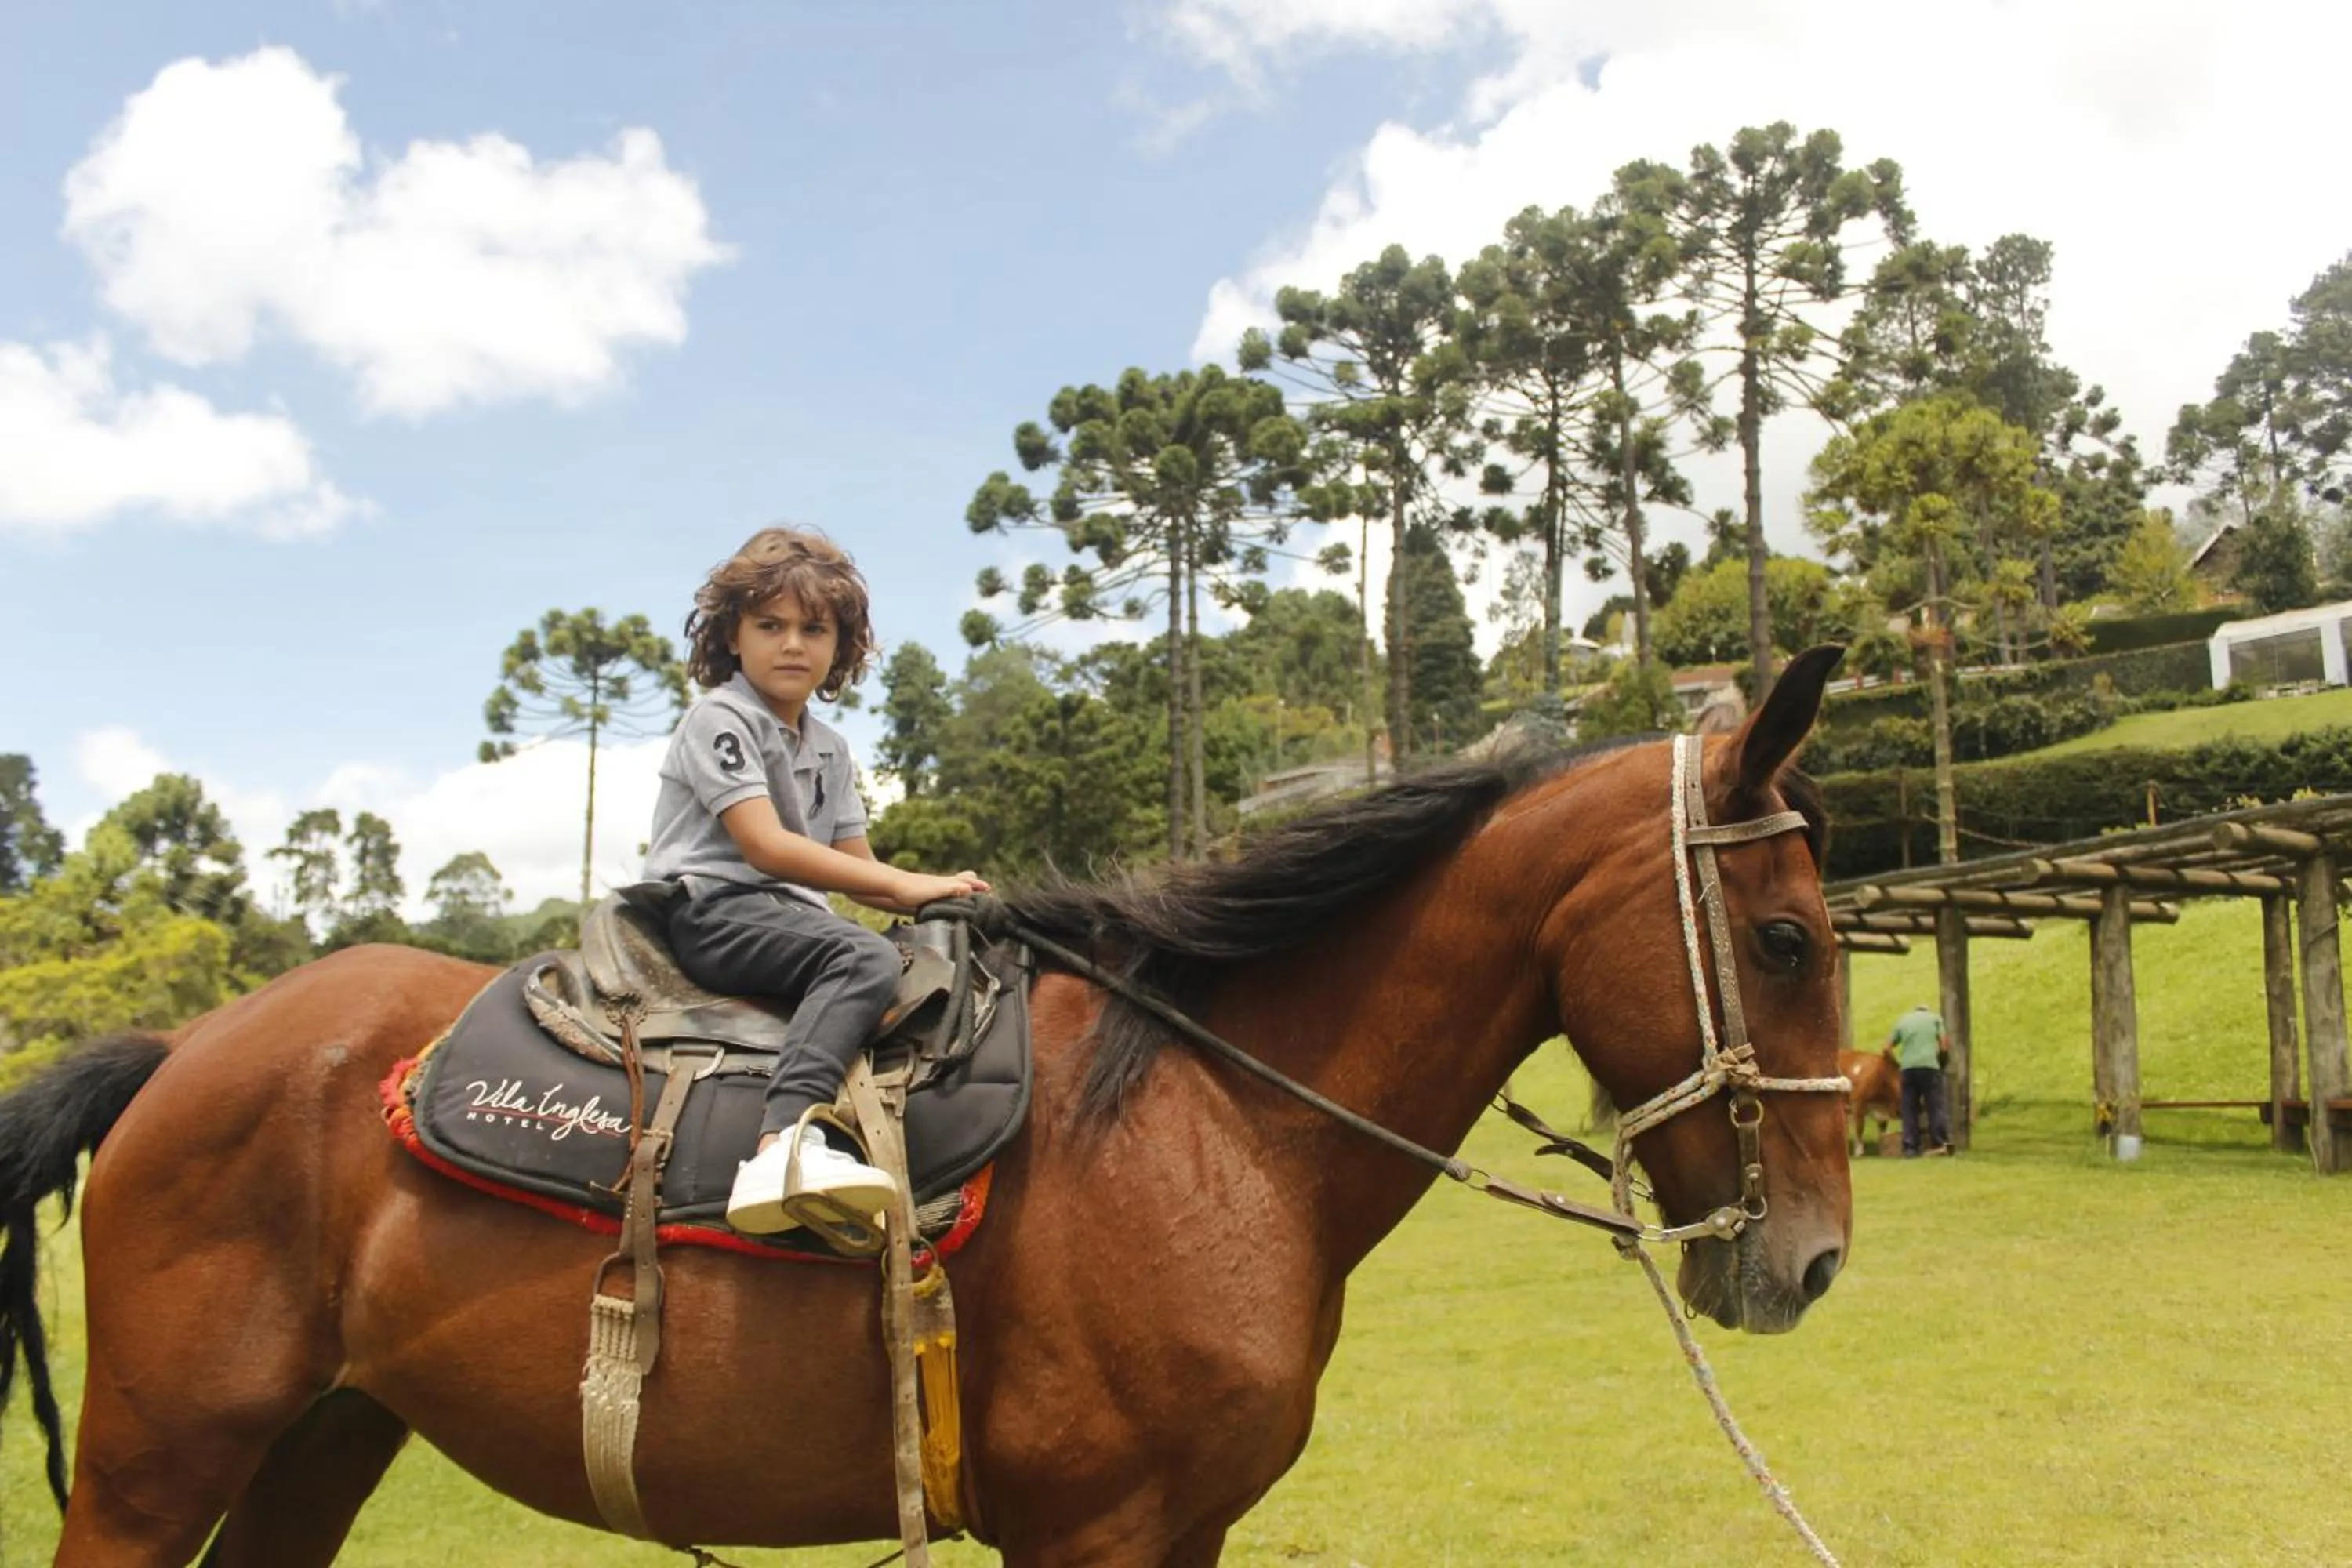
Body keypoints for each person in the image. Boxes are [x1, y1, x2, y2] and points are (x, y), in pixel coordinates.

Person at [644, 527, 989, 1233]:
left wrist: (944, 891)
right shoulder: (721, 718)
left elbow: (862, 872)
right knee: (862, 957)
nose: (792, 644)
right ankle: (784, 1145)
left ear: (840, 646)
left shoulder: (829, 749)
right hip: (714, 909)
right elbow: (766, 846)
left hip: (788, 917)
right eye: (770, 626)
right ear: (733, 637)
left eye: (814, 629)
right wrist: (905, 884)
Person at [1886, 1001, 1953, 1158]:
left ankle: (1910, 1148)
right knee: (1935, 1106)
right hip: (1930, 1067)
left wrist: (1897, 1063)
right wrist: (1941, 1063)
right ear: (1926, 1011)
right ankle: (1940, 1143)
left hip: (1908, 1069)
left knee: (1909, 1108)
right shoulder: (1935, 1019)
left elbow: (1886, 1048)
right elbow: (1944, 1045)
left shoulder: (1903, 1021)